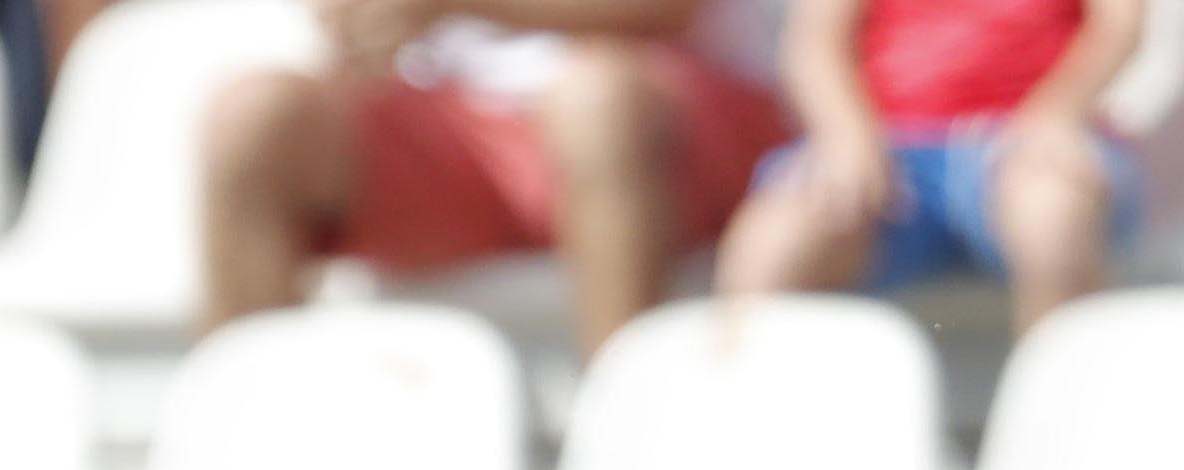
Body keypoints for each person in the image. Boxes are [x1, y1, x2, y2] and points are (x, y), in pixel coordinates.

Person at [195, 0, 790, 364]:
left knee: (598, 104)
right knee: (253, 116)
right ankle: (240, 467)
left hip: (677, 119)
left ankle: (628, 459)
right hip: (468, 133)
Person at [714, 0, 1146, 333]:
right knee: (775, 240)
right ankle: (752, 428)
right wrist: (847, 137)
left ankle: (1061, 422)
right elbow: (814, 45)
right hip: (890, 149)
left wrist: (1056, 114)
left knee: (1051, 215)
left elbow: (1120, 27)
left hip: (1029, 137)